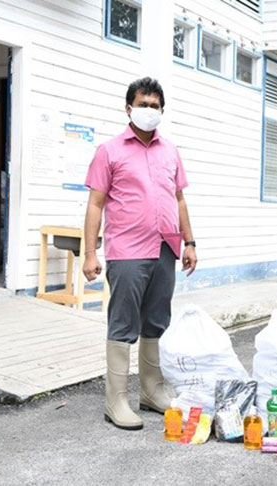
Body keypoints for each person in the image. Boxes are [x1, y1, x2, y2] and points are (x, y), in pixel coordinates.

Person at [83, 77, 197, 430]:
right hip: (127, 250)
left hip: (166, 248)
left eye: (155, 105)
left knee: (156, 322)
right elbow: (95, 204)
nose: (149, 110)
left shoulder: (170, 151)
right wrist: (90, 252)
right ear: (128, 108)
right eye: (142, 104)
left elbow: (178, 199)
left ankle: (151, 391)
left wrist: (189, 242)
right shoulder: (110, 151)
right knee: (123, 323)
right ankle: (115, 400)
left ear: (162, 110)